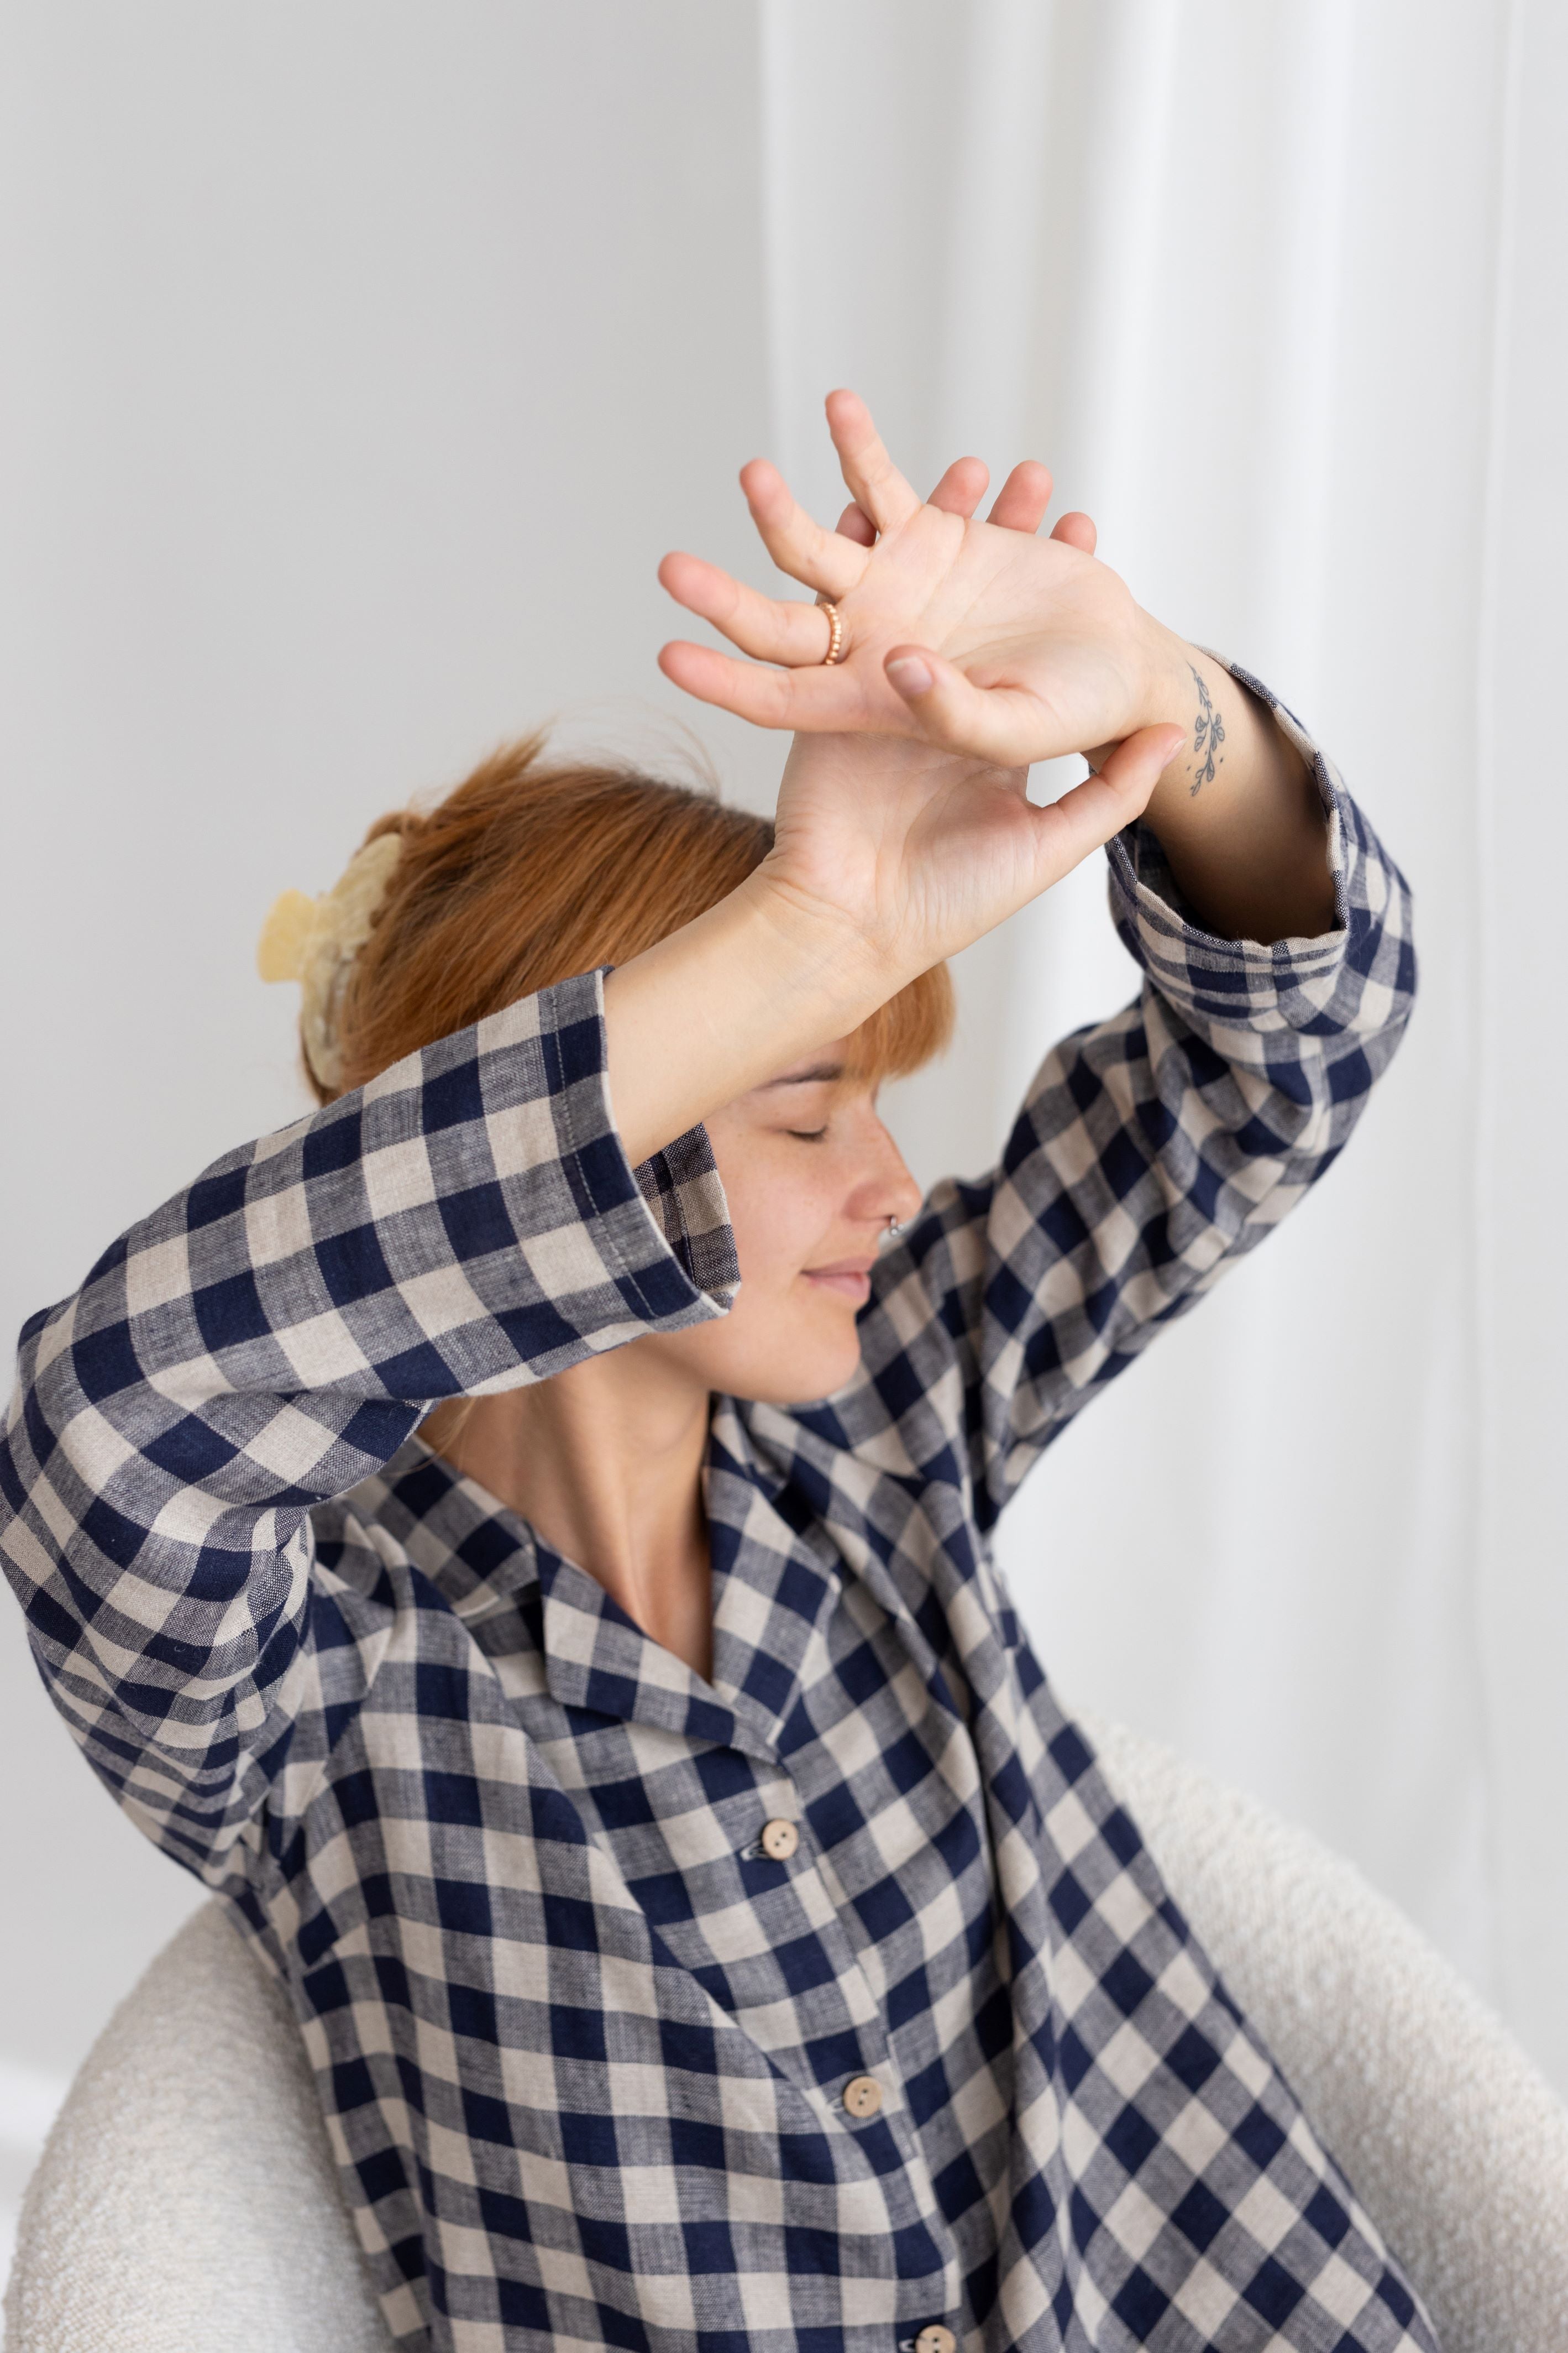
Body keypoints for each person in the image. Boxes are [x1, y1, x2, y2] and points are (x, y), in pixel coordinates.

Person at [0, 394, 1432, 2352]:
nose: (888, 1184)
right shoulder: (307, 1690)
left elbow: (1293, 1056)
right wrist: (803, 928)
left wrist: (1161, 701)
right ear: (581, 1125)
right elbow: (114, 1416)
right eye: (800, 1106)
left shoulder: (887, 1413)